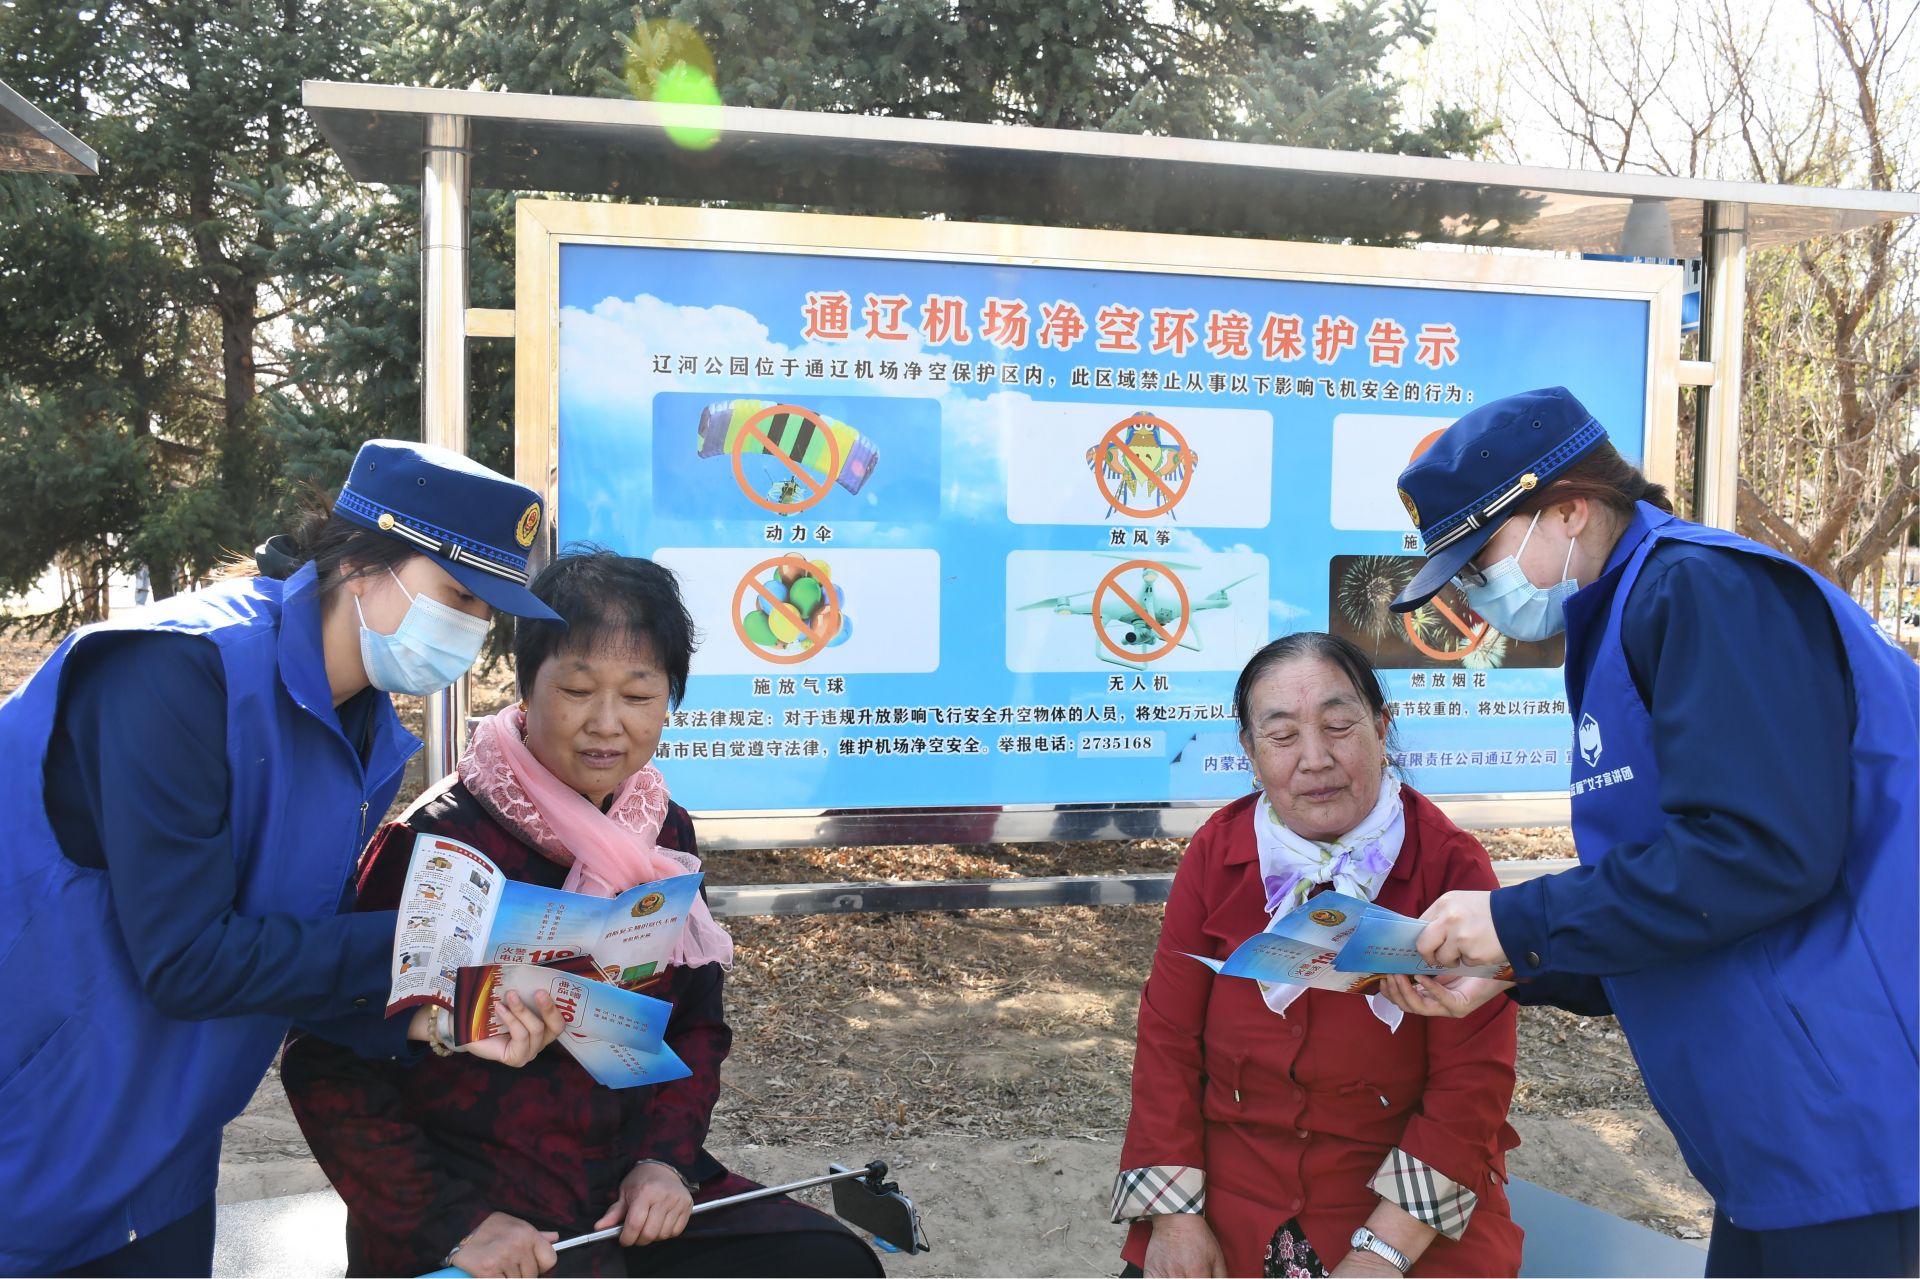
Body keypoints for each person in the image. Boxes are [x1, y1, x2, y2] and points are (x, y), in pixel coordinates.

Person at [1379, 386, 1918, 1278]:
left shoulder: (1702, 590)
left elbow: (1759, 851)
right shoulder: (1629, 611)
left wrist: (1516, 921)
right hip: (1775, 1129)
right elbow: (1680, 899)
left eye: (1481, 561)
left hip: (1850, 1118)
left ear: (1569, 508)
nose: (1475, 595)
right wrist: (1511, 964)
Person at [0, 440, 572, 1276]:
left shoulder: (365, 730)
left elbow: (293, 951)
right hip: (34, 1129)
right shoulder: (175, 670)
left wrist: (448, 1014)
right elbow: (188, 960)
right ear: (363, 563)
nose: (473, 630)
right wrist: (428, 943)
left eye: (490, 613)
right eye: (459, 596)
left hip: (161, 1147)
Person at [282, 549, 885, 1279]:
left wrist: (665, 1163)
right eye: (576, 689)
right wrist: (453, 1224)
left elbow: (696, 1024)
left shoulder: (662, 832)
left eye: (638, 695)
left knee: (827, 1262)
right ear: (526, 689)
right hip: (479, 1204)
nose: (607, 724)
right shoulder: (439, 843)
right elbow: (326, 1058)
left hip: (622, 1184)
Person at [1113, 633, 1523, 1279]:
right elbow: (1168, 1039)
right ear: (1250, 753)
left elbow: (1473, 1082)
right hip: (1228, 1199)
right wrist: (1176, 1216)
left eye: (1338, 726)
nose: (1315, 758)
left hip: (1398, 1211)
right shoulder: (1217, 852)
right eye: (1282, 736)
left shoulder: (1450, 866)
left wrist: (1381, 1254)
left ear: (1381, 728)